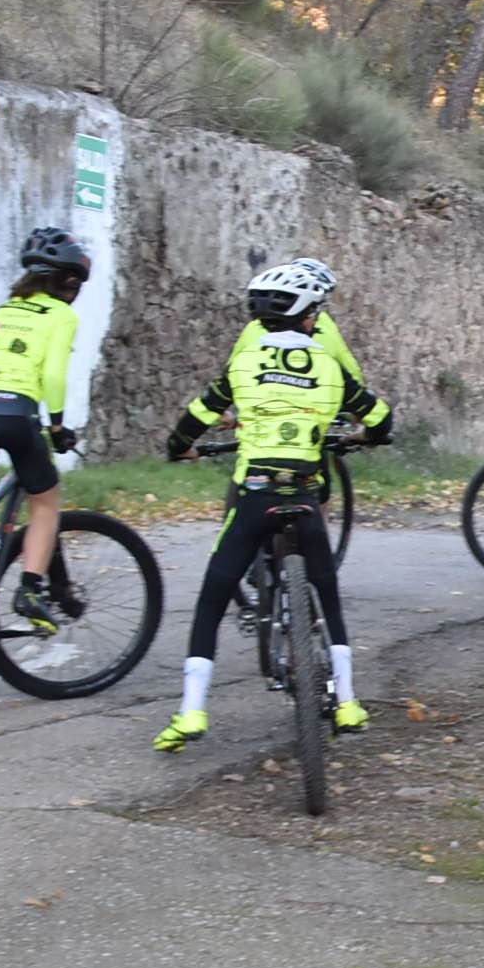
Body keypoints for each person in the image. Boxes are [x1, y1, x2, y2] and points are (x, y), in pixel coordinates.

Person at [153, 260, 393, 753]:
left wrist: (181, 448)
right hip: (304, 494)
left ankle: (191, 711)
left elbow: (193, 419)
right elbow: (382, 420)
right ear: (309, 318)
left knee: (212, 597)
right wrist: (365, 435)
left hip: (254, 496)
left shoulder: (242, 366)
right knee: (327, 594)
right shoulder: (329, 369)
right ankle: (346, 700)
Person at [0, 228, 90, 627]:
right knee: (45, 503)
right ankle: (30, 588)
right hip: (17, 415)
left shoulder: (5, 309)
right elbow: (53, 374)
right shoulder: (61, 315)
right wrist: (59, 425)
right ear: (68, 280)